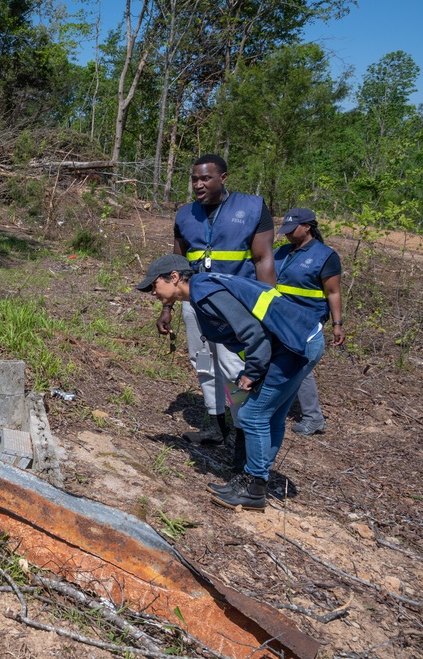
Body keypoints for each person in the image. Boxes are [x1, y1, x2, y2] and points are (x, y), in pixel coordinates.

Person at [138, 255, 324, 510]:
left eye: (154, 285)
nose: (152, 292)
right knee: (272, 417)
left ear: (174, 277)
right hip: (300, 340)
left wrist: (255, 370)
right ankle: (253, 481)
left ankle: (253, 488)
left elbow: (252, 332)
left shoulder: (204, 290)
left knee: (253, 415)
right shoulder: (203, 289)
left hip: (295, 345)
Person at [158, 154, 276, 469]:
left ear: (223, 178)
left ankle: (243, 438)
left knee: (234, 368)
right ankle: (216, 426)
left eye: (205, 179)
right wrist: (167, 307)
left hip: (234, 305)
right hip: (193, 302)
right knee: (203, 363)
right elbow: (176, 265)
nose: (198, 184)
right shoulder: (185, 215)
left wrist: (269, 308)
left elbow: (264, 260)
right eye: (194, 178)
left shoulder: (252, 208)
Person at [274, 208, 345, 435]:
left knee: (299, 366)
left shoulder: (325, 256)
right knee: (289, 363)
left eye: (292, 230)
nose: (287, 235)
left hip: (306, 320)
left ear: (307, 227)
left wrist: (337, 324)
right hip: (279, 318)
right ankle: (306, 414)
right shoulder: (282, 252)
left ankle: (313, 418)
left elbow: (333, 292)